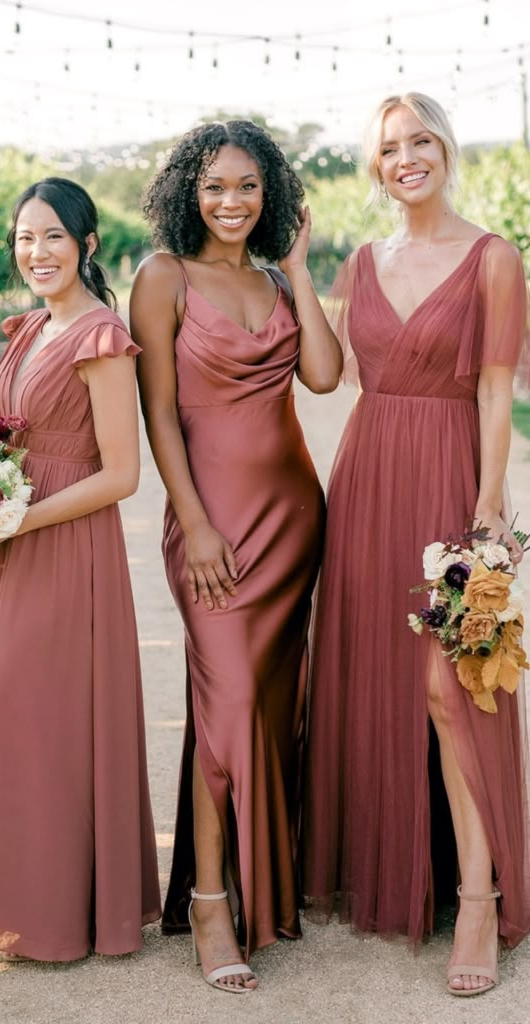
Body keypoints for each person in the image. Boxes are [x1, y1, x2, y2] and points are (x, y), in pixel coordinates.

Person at [303, 91, 530, 997]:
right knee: (375, 679)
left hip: (446, 485)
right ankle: (400, 872)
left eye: (422, 140)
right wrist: (295, 265)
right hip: (365, 484)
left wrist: (486, 510)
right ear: (375, 166)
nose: (407, 157)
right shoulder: (362, 262)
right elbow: (327, 378)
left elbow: (494, 394)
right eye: (391, 147)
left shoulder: (494, 258)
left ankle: (478, 896)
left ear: (446, 148)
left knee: (451, 688)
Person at [130, 120, 340, 992]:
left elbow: (325, 377)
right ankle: (211, 901)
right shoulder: (162, 277)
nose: (231, 201)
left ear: (271, 195)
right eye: (214, 185)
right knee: (228, 704)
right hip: (211, 527)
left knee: (267, 709)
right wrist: (196, 521)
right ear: (188, 189)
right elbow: (160, 416)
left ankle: (259, 888)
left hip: (293, 522)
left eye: (248, 186)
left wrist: (297, 268)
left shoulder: (273, 280)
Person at [0, 177, 161, 961]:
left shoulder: (100, 335)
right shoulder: (29, 329)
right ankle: (31, 905)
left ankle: (63, 916)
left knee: (32, 713)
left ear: (88, 245)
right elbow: (12, 437)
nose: (35, 252)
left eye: (52, 238)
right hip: (17, 543)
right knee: (21, 719)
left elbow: (121, 474)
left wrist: (18, 517)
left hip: (67, 543)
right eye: (24, 238)